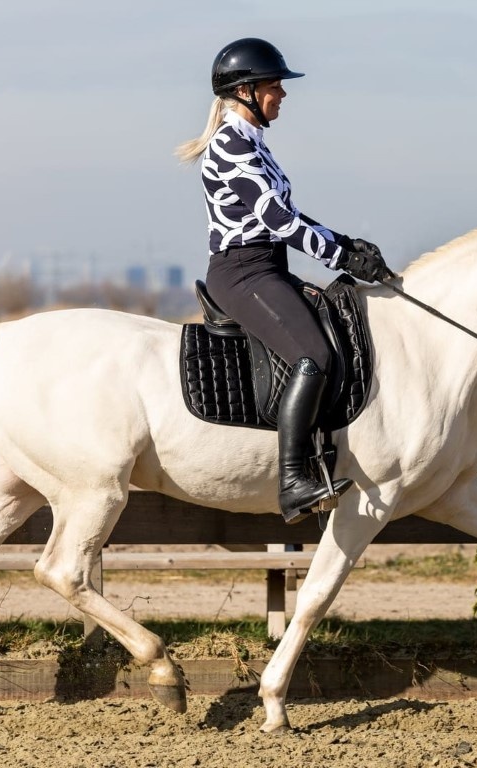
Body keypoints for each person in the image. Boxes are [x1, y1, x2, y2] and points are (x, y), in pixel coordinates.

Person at [176, 37, 393, 524]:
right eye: (275, 85)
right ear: (247, 90)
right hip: (243, 271)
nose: (282, 94)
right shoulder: (231, 148)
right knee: (313, 356)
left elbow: (289, 216)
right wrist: (339, 254)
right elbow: (278, 221)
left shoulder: (254, 142)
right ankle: (294, 481)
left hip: (268, 266)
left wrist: (346, 242)